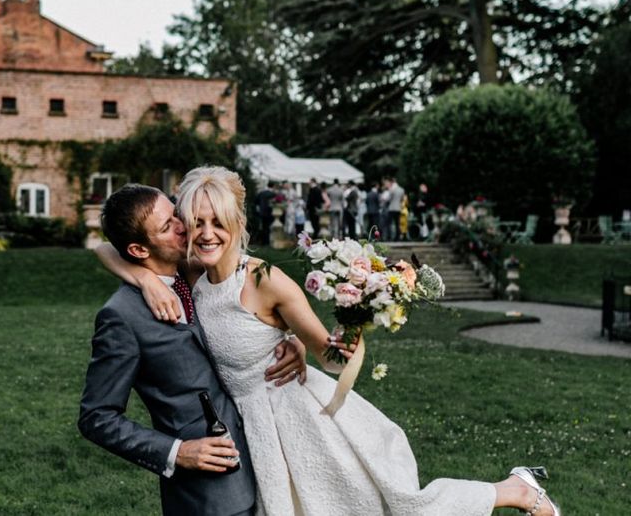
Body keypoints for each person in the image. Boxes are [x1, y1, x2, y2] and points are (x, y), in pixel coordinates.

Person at [98, 167, 560, 516]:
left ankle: (515, 490)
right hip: (253, 431)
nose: (203, 233)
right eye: (193, 222)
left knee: (391, 506)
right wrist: (143, 278)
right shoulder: (192, 272)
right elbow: (104, 247)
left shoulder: (266, 280)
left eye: (216, 222)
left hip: (299, 415)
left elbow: (329, 353)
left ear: (236, 222)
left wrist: (360, 311)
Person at [79, 183, 307, 516]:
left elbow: (250, 311)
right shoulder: (121, 317)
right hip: (209, 492)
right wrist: (177, 451)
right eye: (166, 226)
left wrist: (288, 334)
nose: (183, 225)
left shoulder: (197, 268)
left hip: (267, 451)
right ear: (139, 250)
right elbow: (95, 417)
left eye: (175, 213)